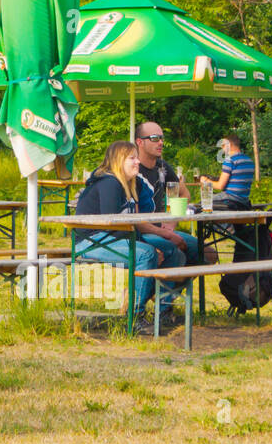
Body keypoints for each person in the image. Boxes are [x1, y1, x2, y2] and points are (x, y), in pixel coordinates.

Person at [73, 140, 170, 333]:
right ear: (118, 161)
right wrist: (142, 244)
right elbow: (112, 225)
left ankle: (164, 308)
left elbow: (126, 225)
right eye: (132, 158)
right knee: (146, 254)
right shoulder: (110, 183)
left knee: (170, 248)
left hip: (109, 238)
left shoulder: (127, 184)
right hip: (90, 241)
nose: (137, 162)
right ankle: (133, 317)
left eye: (137, 158)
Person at [135, 121, 202, 267]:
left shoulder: (162, 167)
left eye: (162, 138)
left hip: (160, 229)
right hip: (139, 233)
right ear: (139, 142)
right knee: (175, 253)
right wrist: (165, 234)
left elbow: (183, 194)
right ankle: (162, 289)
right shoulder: (133, 168)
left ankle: (170, 287)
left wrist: (171, 222)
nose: (160, 142)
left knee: (205, 252)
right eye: (154, 138)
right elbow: (134, 221)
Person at [200, 132, 254, 210]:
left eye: (223, 146)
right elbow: (237, 180)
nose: (222, 148)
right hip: (244, 201)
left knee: (202, 203)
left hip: (231, 199)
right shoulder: (249, 161)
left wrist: (205, 180)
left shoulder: (229, 160)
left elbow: (220, 186)